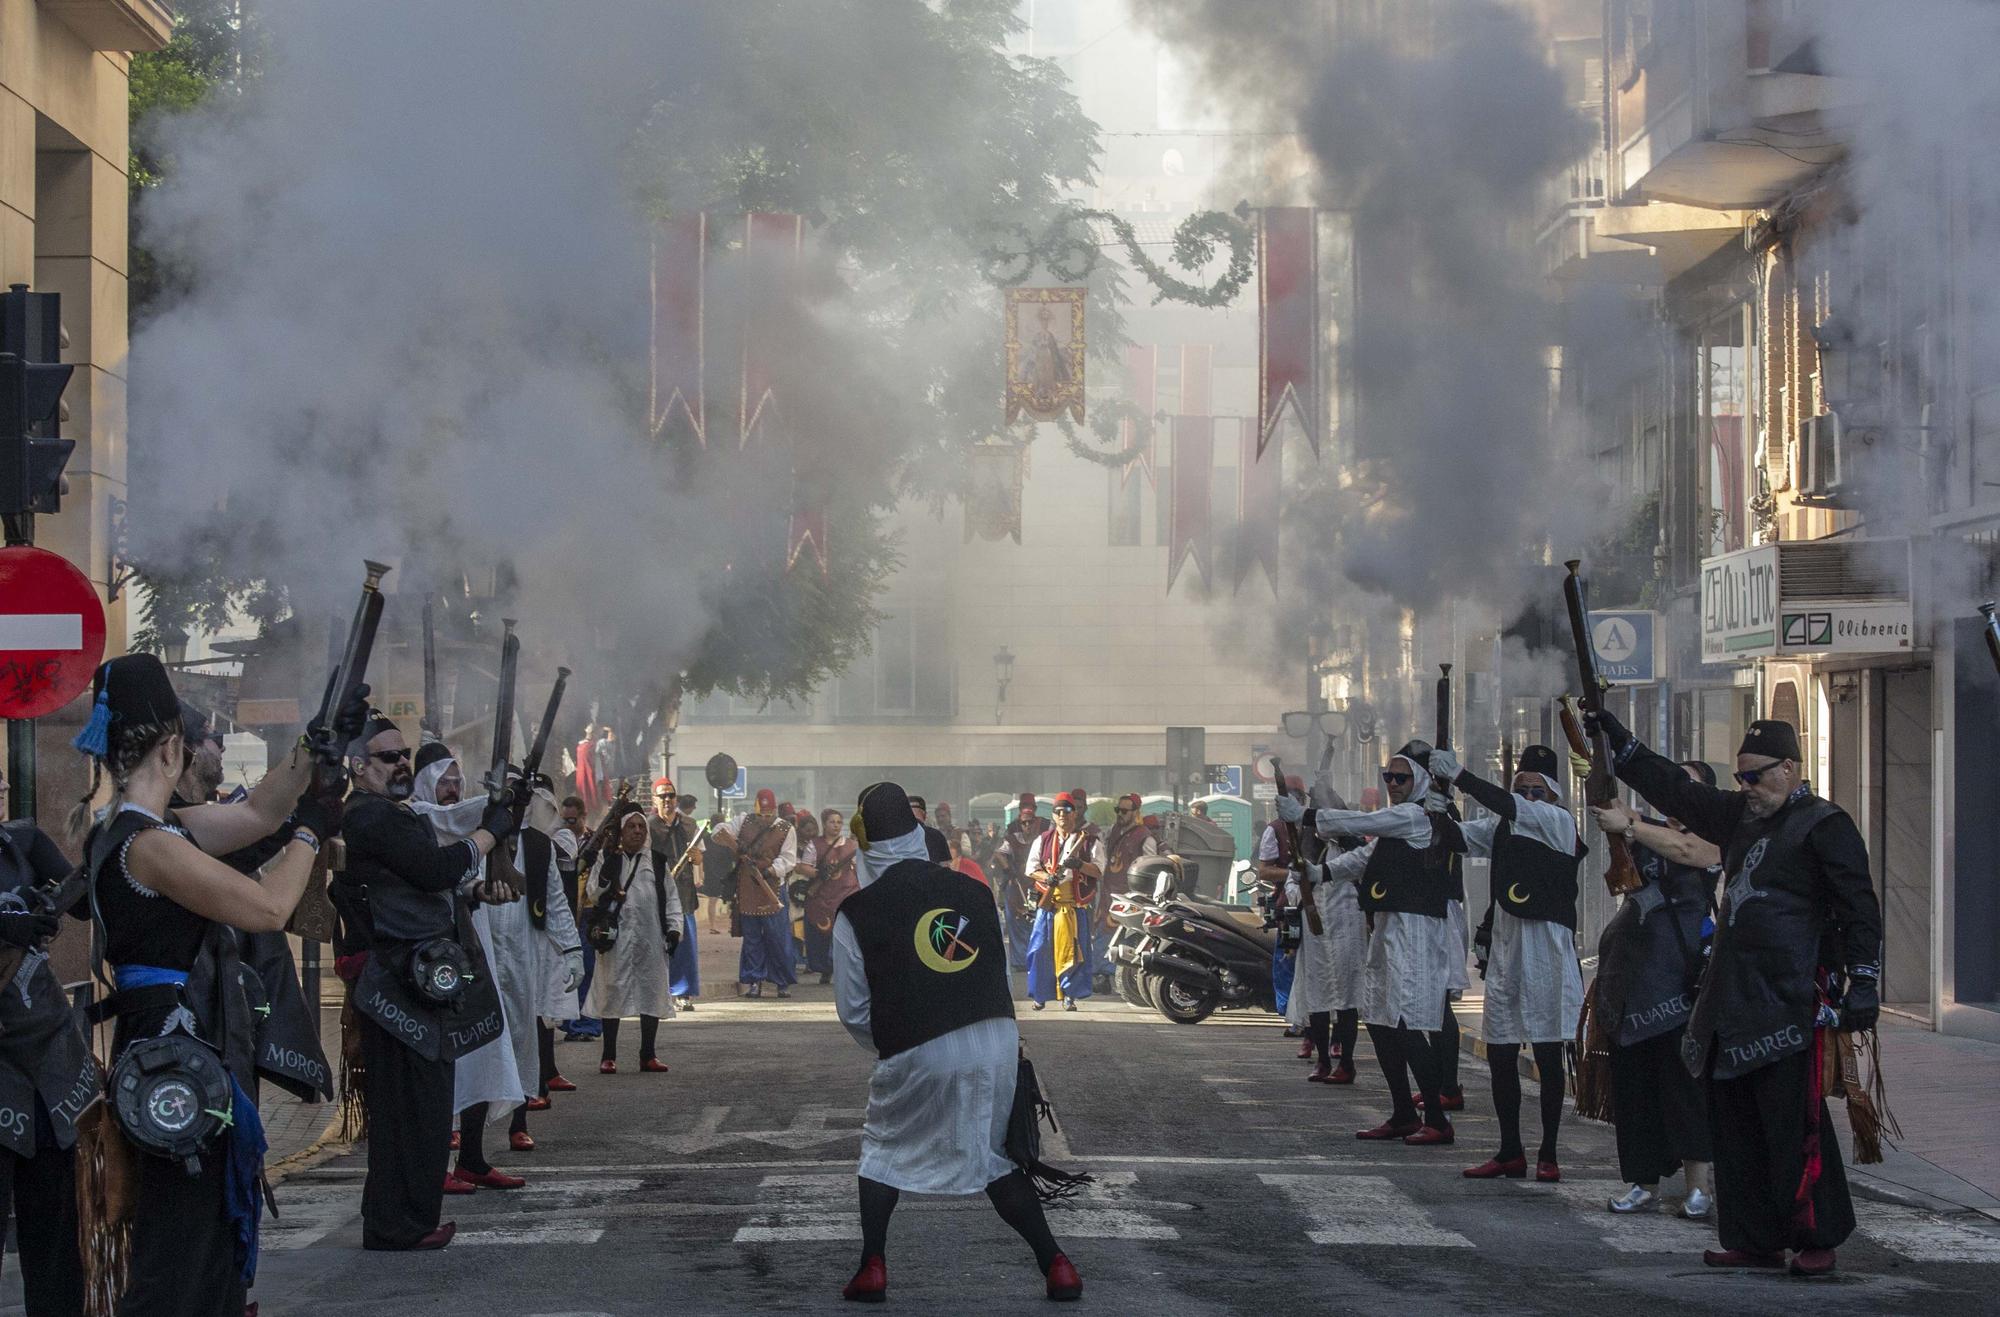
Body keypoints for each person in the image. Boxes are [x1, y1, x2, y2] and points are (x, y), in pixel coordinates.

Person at [71, 654, 335, 1308]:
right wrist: (316, 829)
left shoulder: (140, 830)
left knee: (201, 1242)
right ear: (171, 747)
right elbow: (271, 906)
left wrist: (312, 746)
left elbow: (257, 816)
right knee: (183, 1254)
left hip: (173, 1048)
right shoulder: (152, 845)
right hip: (176, 1055)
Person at [1589, 711, 1881, 1277]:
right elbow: (1678, 791)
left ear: (1790, 768)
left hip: (1790, 995)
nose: (1745, 787)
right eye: (1741, 777)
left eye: (1755, 776)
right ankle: (1754, 1236)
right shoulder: (1742, 813)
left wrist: (1864, 978)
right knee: (1737, 1127)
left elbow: (1858, 907)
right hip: (1729, 996)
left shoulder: (1826, 824)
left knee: (1793, 1126)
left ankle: (1814, 1235)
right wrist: (1620, 743)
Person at [831, 781, 1081, 1303]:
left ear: (867, 845)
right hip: (996, 1040)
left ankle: (872, 1267)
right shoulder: (976, 892)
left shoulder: (857, 911)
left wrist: (894, 1043)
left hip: (919, 1043)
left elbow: (855, 1010)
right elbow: (995, 971)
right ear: (919, 834)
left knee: (882, 1149)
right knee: (994, 1157)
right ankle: (1057, 1264)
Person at [336, 712, 518, 1252]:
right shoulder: (372, 817)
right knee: (411, 1111)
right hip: (396, 982)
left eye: (403, 756)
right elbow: (434, 870)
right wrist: (489, 833)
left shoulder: (386, 815)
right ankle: (400, 1224)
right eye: (388, 757)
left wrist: (472, 896)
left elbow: (417, 889)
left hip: (406, 980)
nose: (400, 765)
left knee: (418, 1108)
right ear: (357, 765)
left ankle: (402, 1220)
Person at [1280, 748, 1462, 1146]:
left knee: (1408, 1024)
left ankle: (1435, 1116)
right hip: (1385, 926)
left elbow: (1366, 822)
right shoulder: (1396, 827)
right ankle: (1402, 1112)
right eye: (1388, 777)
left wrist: (1307, 816)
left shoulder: (1414, 818)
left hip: (1415, 931)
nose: (1393, 785)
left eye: (1401, 778)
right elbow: (1364, 857)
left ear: (1421, 783)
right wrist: (1322, 871)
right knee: (1379, 1021)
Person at [1428, 746, 1585, 1183]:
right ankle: (1509, 1150)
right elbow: (1459, 839)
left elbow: (1506, 805)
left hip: (1546, 947)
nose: (1529, 797)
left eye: (1538, 790)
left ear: (1552, 795)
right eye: (1523, 788)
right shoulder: (1504, 824)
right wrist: (1438, 810)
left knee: (1550, 1051)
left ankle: (1549, 1151)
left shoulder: (1557, 822)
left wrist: (1459, 773)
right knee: (1500, 1050)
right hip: (1507, 945)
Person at [1588, 765, 1721, 1221]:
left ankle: (1698, 1187)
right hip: (1632, 982)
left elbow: (1686, 849)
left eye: (1688, 787)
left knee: (1684, 1088)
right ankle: (1642, 1181)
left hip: (1684, 984)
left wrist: (1630, 825)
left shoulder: (1714, 837)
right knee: (1636, 1092)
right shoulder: (1645, 833)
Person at [409, 747, 538, 1187]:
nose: (451, 790)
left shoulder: (467, 823)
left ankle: (472, 1159)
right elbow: (451, 823)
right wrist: (499, 802)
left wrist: (481, 890)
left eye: (456, 782)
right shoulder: (417, 814)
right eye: (444, 781)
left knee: (483, 1044)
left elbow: (464, 883)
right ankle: (432, 1166)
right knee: (443, 1056)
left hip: (471, 947)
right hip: (429, 953)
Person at [0, 767, 96, 1315]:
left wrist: (64, 887)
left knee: (57, 1233)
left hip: (48, 1070)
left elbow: (81, 901)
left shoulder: (22, 843)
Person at [1274, 778, 1363, 1085]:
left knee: (1347, 999)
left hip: (1348, 932)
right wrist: (1302, 887)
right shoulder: (1305, 847)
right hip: (1316, 934)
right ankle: (1323, 1060)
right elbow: (1291, 885)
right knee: (1319, 998)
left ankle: (1346, 1062)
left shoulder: (1354, 849)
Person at [584, 807, 681, 1072]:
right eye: (632, 827)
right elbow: (592, 894)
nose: (638, 830)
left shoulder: (658, 862)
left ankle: (648, 1055)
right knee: (612, 991)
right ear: (622, 832)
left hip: (651, 939)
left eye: (642, 826)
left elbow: (671, 899)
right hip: (616, 940)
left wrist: (674, 930)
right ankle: (608, 1056)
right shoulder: (607, 859)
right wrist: (605, 875)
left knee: (650, 992)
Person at [1022, 793, 1103, 1011]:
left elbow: (1098, 870)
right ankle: (1040, 995)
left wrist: (1079, 864)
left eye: (1066, 812)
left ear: (1074, 814)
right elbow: (1031, 868)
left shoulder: (1089, 841)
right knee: (1039, 951)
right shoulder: (1043, 839)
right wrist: (1047, 878)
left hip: (1075, 906)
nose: (1062, 816)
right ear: (1053, 815)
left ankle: (1070, 996)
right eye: (1058, 812)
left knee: (1074, 952)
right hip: (1049, 905)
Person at [714, 788, 797, 999]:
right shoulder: (743, 821)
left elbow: (788, 860)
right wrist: (726, 836)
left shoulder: (786, 829)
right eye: (761, 814)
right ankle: (754, 981)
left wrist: (768, 870)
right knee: (752, 940)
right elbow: (719, 832)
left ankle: (781, 982)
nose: (764, 819)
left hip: (773, 889)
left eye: (768, 815)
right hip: (748, 888)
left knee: (778, 938)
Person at [651, 780, 705, 1010]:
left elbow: (700, 857)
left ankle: (682, 993)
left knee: (684, 944)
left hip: (683, 892)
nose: (667, 800)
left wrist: (696, 859)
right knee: (656, 944)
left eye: (671, 796)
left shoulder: (690, 825)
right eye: (662, 796)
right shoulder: (647, 826)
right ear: (654, 799)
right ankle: (659, 991)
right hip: (656, 891)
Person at [1094, 794, 1156, 989]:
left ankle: (1127, 980)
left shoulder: (1145, 837)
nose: (1120, 814)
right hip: (1109, 894)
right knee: (1104, 934)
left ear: (1135, 812)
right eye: (1117, 810)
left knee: (1126, 940)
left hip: (1131, 897)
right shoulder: (1114, 831)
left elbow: (1151, 866)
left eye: (1124, 811)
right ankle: (1102, 976)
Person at [553, 795, 597, 1050]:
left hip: (588, 912)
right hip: (565, 911)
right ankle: (569, 1022)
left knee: (587, 970)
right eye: (564, 820)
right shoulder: (557, 842)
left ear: (583, 817)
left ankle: (585, 1025)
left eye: (573, 820)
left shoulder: (595, 843)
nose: (568, 824)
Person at [803, 809, 858, 985]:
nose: (835, 825)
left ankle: (844, 970)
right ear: (824, 824)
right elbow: (803, 867)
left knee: (845, 936)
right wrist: (818, 873)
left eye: (838, 822)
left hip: (847, 895)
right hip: (822, 897)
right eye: (832, 822)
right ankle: (825, 969)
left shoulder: (852, 846)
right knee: (822, 936)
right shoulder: (814, 845)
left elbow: (859, 869)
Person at [997, 795, 1047, 971]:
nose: (1027, 825)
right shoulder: (1012, 835)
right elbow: (1000, 853)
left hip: (1038, 883)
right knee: (1016, 921)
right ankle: (1019, 961)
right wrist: (1008, 869)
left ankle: (1037, 957)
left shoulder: (1044, 835)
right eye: (1024, 822)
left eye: (1030, 822)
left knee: (1038, 920)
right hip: (1017, 882)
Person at [906, 795, 952, 863]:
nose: (940, 819)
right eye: (938, 816)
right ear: (925, 814)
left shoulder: (896, 838)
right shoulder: (937, 836)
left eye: (943, 816)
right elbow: (946, 865)